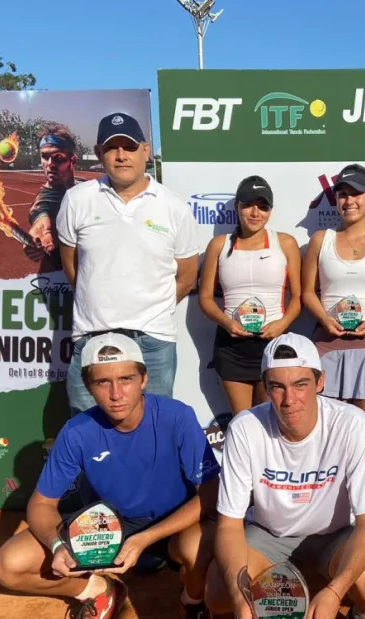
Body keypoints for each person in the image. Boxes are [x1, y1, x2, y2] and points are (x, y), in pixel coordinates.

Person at [0, 333, 223, 619]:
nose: (116, 394)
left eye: (126, 379)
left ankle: (193, 602)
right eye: (103, 382)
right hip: (110, 526)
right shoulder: (77, 431)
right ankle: (98, 592)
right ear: (88, 386)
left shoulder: (177, 417)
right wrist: (57, 546)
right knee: (8, 565)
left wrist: (146, 539)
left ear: (144, 379)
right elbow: (41, 504)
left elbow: (211, 493)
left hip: (174, 525)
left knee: (202, 543)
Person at [202, 333, 365, 619]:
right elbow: (229, 524)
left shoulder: (351, 423)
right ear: (264, 387)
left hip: (335, 535)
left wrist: (334, 592)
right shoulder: (245, 428)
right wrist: (240, 599)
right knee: (217, 593)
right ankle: (249, 618)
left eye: (301, 384)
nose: (290, 399)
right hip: (269, 535)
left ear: (321, 382)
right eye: (277, 386)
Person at [57, 112, 199, 416]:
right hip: (92, 337)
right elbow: (72, 267)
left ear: (146, 151)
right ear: (99, 153)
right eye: (112, 148)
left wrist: (151, 309)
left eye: (130, 147)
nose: (121, 156)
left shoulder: (174, 207)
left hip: (153, 342)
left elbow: (187, 277)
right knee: (87, 429)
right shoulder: (77, 200)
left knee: (155, 429)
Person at [301, 164, 365, 471]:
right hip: (328, 349)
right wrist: (324, 319)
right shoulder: (321, 240)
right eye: (343, 194)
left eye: (356, 194)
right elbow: (307, 293)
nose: (349, 201)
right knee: (328, 443)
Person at [198, 176, 302, 416]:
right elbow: (205, 298)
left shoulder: (285, 243)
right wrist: (227, 323)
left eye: (263, 207)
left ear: (270, 211)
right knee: (243, 421)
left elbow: (298, 297)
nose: (256, 213)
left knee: (272, 419)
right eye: (248, 205)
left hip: (273, 344)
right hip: (232, 347)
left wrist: (282, 324)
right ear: (237, 206)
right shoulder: (218, 245)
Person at [28, 125, 79, 258]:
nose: (50, 164)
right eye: (45, 157)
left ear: (73, 161)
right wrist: (42, 230)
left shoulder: (84, 188)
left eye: (59, 158)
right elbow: (39, 212)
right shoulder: (43, 198)